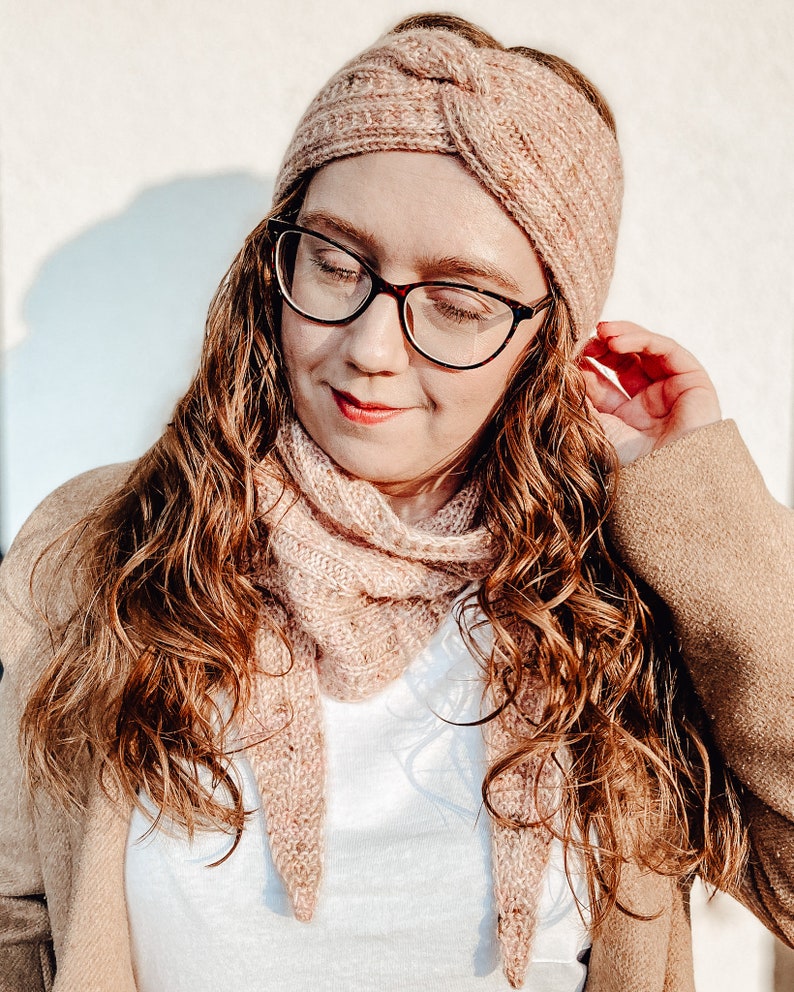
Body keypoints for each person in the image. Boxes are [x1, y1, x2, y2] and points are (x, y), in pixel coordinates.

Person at [0, 12, 791, 992]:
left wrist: (696, 498)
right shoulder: (94, 551)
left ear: (546, 338)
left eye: (457, 301)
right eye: (335, 262)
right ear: (273, 263)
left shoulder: (617, 595)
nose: (371, 346)